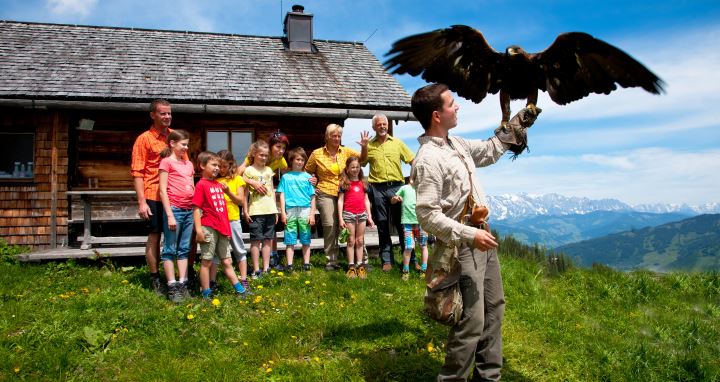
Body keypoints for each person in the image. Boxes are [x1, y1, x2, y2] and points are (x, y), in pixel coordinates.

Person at [411, 83, 538, 381]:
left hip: (483, 237)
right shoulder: (428, 159)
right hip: (462, 246)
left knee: (494, 309)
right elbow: (427, 216)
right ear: (436, 115)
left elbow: (490, 150)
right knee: (471, 320)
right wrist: (470, 236)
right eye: (452, 104)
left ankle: (488, 377)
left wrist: (521, 119)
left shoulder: (457, 144)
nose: (458, 107)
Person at [131, 99, 178, 295]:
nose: (167, 117)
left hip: (174, 194)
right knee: (155, 235)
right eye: (163, 113)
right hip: (153, 194)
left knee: (175, 236)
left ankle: (177, 277)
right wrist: (142, 202)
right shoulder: (144, 139)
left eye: (169, 113)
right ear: (153, 115)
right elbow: (138, 172)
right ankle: (154, 277)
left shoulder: (174, 137)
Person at [359, 114, 415, 272]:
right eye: (379, 124)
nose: (382, 126)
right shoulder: (369, 145)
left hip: (397, 187)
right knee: (382, 224)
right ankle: (387, 260)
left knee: (402, 224)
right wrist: (363, 147)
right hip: (377, 188)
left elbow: (413, 161)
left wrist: (412, 180)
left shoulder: (397, 143)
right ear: (374, 127)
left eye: (384, 124)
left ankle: (410, 259)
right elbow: (362, 162)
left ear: (388, 126)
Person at [304, 124, 361, 271]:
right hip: (325, 192)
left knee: (352, 225)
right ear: (327, 137)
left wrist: (365, 147)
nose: (336, 138)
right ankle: (331, 260)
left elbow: (363, 159)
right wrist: (312, 179)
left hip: (346, 192)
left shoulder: (346, 151)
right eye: (333, 135)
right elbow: (307, 171)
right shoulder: (317, 154)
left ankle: (360, 260)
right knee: (330, 225)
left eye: (339, 136)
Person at [192, 151, 247, 299]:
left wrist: (227, 229)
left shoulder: (218, 184)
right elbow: (196, 208)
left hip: (222, 229)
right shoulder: (201, 185)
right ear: (202, 166)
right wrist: (198, 230)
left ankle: (240, 290)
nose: (217, 168)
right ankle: (206, 293)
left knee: (227, 260)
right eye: (213, 165)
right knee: (207, 261)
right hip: (208, 227)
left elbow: (222, 210)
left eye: (218, 165)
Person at [237, 131, 289, 270]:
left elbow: (289, 175)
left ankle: (273, 258)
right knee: (257, 237)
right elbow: (237, 174)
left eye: (283, 148)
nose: (281, 150)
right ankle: (253, 264)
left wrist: (308, 180)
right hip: (253, 199)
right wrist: (252, 182)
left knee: (271, 233)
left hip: (268, 199)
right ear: (270, 146)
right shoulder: (252, 159)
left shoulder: (280, 160)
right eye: (278, 147)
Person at [157, 129, 194, 302]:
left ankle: (182, 283)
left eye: (187, 144)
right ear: (172, 144)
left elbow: (192, 187)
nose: (186, 148)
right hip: (175, 209)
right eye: (183, 144)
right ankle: (171, 285)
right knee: (170, 248)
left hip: (188, 211)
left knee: (184, 248)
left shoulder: (189, 164)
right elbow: (163, 190)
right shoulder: (166, 162)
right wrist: (170, 215)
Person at [276, 147, 316, 273]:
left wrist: (312, 214)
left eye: (302, 159)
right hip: (290, 210)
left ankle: (306, 263)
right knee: (290, 238)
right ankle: (289, 264)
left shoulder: (308, 177)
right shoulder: (286, 177)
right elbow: (281, 195)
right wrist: (282, 212)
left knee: (306, 238)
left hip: (305, 209)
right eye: (297, 159)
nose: (300, 162)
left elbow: (312, 197)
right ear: (291, 160)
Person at [243, 140, 278, 279]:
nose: (263, 157)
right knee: (256, 241)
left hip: (270, 209)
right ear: (254, 154)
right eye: (261, 155)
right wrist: (245, 211)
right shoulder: (248, 171)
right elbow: (245, 193)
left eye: (266, 155)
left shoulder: (269, 170)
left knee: (268, 240)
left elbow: (272, 190)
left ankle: (266, 268)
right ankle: (256, 270)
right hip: (255, 210)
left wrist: (276, 209)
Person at [216, 150, 250, 292]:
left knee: (239, 249)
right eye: (219, 166)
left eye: (224, 166)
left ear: (231, 165)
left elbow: (241, 201)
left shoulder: (237, 179)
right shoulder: (214, 180)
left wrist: (228, 192)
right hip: (217, 221)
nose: (221, 169)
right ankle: (213, 281)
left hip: (233, 219)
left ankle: (243, 279)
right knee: (217, 253)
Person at [338, 156, 374, 279]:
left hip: (362, 215)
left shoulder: (363, 182)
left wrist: (369, 216)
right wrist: (340, 218)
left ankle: (360, 265)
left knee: (360, 241)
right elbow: (340, 201)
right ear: (347, 169)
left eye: (357, 167)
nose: (355, 169)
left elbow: (366, 200)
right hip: (349, 215)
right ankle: (351, 266)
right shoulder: (344, 183)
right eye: (352, 167)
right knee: (351, 241)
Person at [390, 177, 428, 282]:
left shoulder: (423, 188)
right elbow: (392, 200)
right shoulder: (404, 188)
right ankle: (405, 271)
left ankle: (424, 270)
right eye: (413, 176)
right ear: (410, 178)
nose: (415, 178)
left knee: (423, 246)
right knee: (408, 247)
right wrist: (395, 199)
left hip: (421, 222)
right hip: (407, 224)